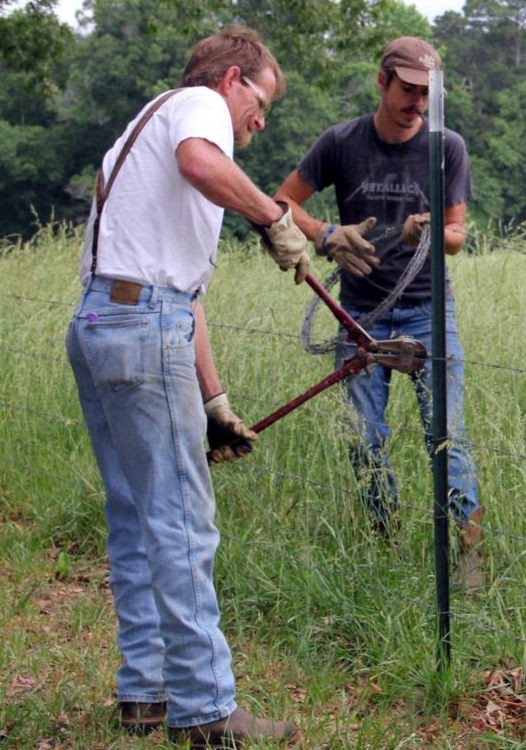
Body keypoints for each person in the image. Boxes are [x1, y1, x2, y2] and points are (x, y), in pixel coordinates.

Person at [65, 25, 308, 747]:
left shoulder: (137, 132)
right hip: (142, 329)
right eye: (260, 101)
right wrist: (274, 217)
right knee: (182, 522)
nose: (261, 121)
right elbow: (203, 162)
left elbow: (181, 290)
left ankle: (146, 690)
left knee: (136, 512)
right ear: (232, 79)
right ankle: (206, 711)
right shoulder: (200, 109)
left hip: (102, 320)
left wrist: (214, 403)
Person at [275, 36, 484, 590]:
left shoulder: (447, 147)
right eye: (408, 91)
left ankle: (468, 558)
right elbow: (283, 203)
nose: (417, 103)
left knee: (447, 436)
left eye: (426, 94)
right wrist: (325, 233)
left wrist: (428, 228)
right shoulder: (341, 142)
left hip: (427, 313)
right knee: (364, 437)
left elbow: (460, 234)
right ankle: (383, 544)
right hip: (359, 316)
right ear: (382, 82)